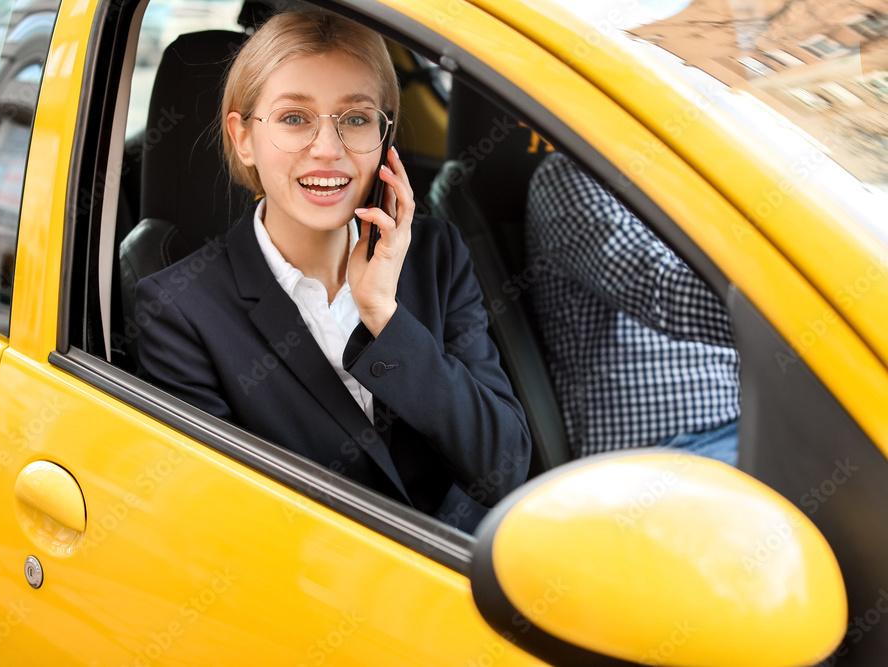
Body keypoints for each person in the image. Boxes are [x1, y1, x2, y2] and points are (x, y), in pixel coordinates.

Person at [135, 11, 530, 532]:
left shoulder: (435, 254)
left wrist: (385, 318)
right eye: (295, 118)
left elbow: (504, 471)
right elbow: (224, 522)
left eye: (356, 118)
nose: (328, 148)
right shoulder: (179, 308)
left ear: (385, 138)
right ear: (244, 137)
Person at [525, 152, 740, 464]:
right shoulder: (571, 174)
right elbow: (664, 294)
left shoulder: (685, 180)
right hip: (664, 446)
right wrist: (774, 319)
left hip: (738, 421)